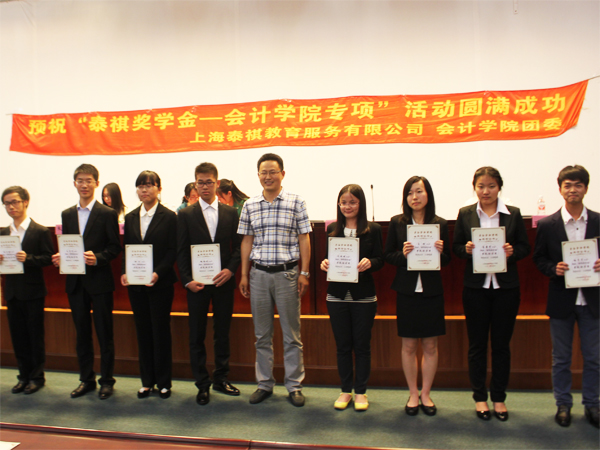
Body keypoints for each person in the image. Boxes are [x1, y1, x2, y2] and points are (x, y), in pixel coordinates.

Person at [452, 166, 530, 421]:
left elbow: (525, 247)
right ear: (474, 188)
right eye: (481, 186)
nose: (485, 191)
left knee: (501, 346)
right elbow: (455, 247)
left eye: (491, 186)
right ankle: (479, 398)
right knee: (476, 346)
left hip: (506, 289)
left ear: (499, 187)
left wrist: (512, 252)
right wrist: (465, 249)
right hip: (476, 289)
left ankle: (498, 398)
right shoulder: (465, 213)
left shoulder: (513, 214)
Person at [238, 153, 311, 407]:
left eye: (272, 172)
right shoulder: (250, 204)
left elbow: (304, 238)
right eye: (263, 172)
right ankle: (264, 384)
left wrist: (304, 273)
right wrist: (244, 274)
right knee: (262, 335)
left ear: (282, 174)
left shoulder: (296, 201)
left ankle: (294, 386)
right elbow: (247, 240)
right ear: (258, 175)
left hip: (287, 274)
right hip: (258, 275)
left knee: (292, 335)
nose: (268, 176)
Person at [533, 165, 599, 429]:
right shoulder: (547, 224)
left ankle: (592, 404)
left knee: (594, 357)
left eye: (578, 185)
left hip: (593, 301)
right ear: (560, 189)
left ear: (586, 188)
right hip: (562, 299)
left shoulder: (598, 221)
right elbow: (539, 258)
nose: (573, 190)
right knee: (561, 358)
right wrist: (554, 268)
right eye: (568, 185)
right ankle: (563, 404)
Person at [51, 164, 121, 400]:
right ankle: (86, 379)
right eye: (80, 180)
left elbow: (115, 248)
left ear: (96, 183)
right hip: (75, 283)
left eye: (88, 180)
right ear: (74, 184)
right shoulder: (67, 214)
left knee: (104, 333)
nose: (84, 185)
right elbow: (69, 245)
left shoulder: (107, 213)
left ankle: (107, 381)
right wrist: (61, 257)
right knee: (81, 334)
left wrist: (98, 258)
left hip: (100, 282)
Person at [384, 176, 450, 416]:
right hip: (407, 290)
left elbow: (448, 259)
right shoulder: (397, 223)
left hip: (432, 291)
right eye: (410, 193)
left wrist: (441, 252)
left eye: (419, 191)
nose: (415, 197)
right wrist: (403, 255)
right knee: (409, 345)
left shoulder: (440, 224)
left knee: (431, 345)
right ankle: (413, 393)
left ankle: (426, 394)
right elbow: (388, 255)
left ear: (428, 195)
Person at [177, 163, 242, 405]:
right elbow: (181, 251)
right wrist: (187, 281)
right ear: (195, 184)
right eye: (200, 183)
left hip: (223, 282)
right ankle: (202, 384)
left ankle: (221, 378)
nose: (205, 187)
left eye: (209, 182)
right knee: (197, 334)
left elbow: (239, 248)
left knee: (222, 333)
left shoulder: (231, 213)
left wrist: (231, 270)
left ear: (217, 183)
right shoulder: (185, 214)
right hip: (197, 285)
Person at [319, 184, 383, 411]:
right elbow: (328, 259)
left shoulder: (373, 229)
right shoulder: (332, 229)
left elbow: (380, 260)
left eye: (352, 202)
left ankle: (361, 392)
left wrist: (370, 263)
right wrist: (324, 264)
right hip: (337, 296)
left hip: (363, 296)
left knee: (362, 346)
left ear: (360, 204)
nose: (348, 206)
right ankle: (346, 390)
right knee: (343, 346)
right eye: (344, 202)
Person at [121, 171, 177, 399]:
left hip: (160, 284)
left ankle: (163, 382)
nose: (144, 190)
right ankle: (147, 381)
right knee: (142, 332)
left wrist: (157, 273)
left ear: (159, 189)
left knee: (160, 332)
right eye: (140, 186)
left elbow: (173, 250)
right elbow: (128, 249)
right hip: (136, 285)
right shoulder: (130, 217)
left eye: (149, 185)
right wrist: (125, 272)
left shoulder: (169, 216)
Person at [1, 186, 54, 395]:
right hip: (12, 292)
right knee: (18, 336)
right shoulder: (3, 233)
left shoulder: (39, 231)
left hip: (33, 292)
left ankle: (36, 377)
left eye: (14, 202)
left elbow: (48, 258)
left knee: (34, 336)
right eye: (6, 203)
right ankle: (23, 376)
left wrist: (29, 258)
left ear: (25, 202)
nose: (11, 207)